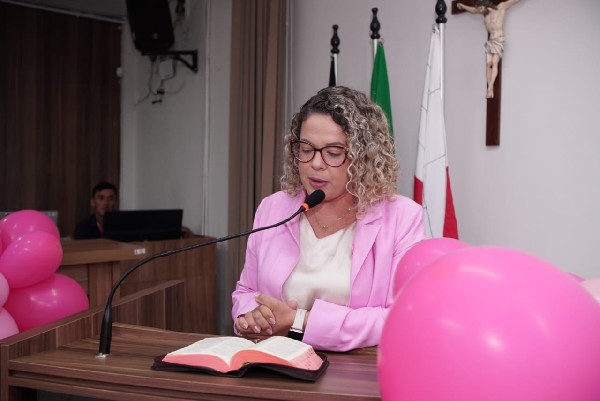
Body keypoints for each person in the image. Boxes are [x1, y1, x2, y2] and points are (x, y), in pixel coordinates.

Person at [231, 86, 426, 352]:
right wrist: (253, 317)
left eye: (333, 153)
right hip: (273, 362)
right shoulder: (273, 209)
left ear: (363, 158)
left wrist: (298, 322)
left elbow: (401, 316)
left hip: (356, 369)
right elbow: (245, 292)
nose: (316, 163)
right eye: (306, 149)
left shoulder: (402, 218)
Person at [457, 0, 522, 98]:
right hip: (490, 41)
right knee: (488, 65)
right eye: (479, 8)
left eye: (481, 8)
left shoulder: (500, 7)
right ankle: (489, 89)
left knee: (494, 63)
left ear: (485, 4)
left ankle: (490, 86)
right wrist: (463, 6)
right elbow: (473, 10)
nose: (480, 10)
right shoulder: (485, 14)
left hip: (498, 39)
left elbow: (512, 1)